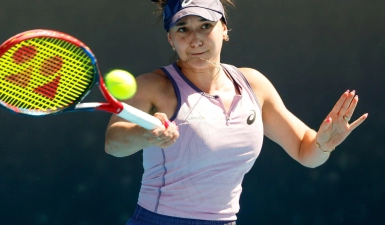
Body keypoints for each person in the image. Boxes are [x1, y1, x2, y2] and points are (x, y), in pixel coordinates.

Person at [104, 0, 368, 224]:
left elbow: (305, 151)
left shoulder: (253, 84)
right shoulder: (153, 86)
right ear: (171, 39)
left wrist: (323, 144)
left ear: (224, 29)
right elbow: (113, 142)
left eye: (205, 26)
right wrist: (146, 134)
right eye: (183, 29)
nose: (195, 39)